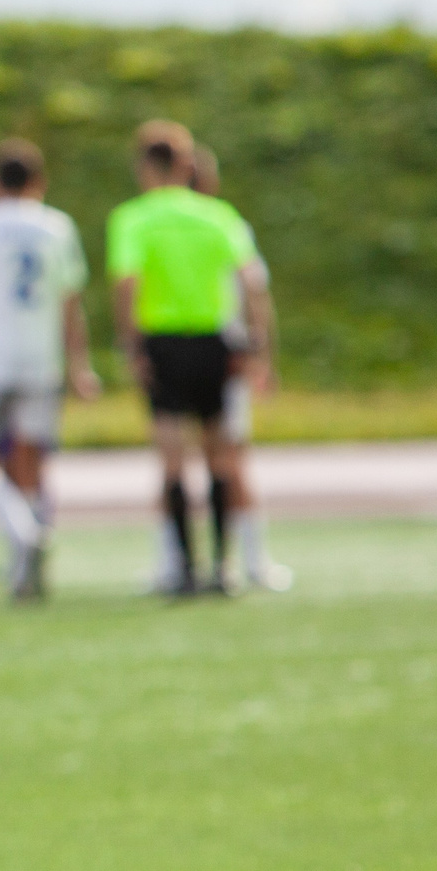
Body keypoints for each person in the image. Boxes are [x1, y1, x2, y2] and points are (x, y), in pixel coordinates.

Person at [0, 139, 102, 601]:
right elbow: (71, 303)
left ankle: (22, 533)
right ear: (39, 182)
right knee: (29, 456)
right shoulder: (56, 226)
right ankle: (24, 560)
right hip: (40, 354)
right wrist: (79, 364)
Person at [107, 120, 251, 597]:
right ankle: (223, 568)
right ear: (187, 164)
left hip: (165, 343)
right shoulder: (217, 215)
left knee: (171, 460)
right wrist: (257, 345)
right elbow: (251, 284)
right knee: (219, 458)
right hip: (213, 340)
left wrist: (131, 346)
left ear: (146, 166)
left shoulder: (133, 217)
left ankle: (184, 570)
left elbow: (127, 283)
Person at [188, 144, 292, 592]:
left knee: (181, 456)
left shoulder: (160, 221)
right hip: (223, 350)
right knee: (228, 457)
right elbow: (254, 290)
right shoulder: (225, 222)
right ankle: (247, 560)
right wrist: (260, 351)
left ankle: (184, 561)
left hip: (184, 350)